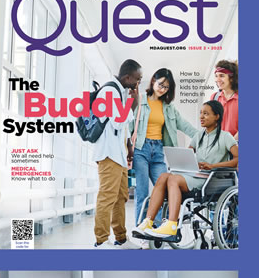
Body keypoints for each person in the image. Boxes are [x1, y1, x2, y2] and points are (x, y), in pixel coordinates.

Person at [137, 100, 239, 239]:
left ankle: (172, 225)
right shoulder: (199, 136)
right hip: (196, 175)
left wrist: (212, 166)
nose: (201, 117)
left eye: (206, 114)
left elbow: (237, 159)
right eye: (201, 113)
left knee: (173, 179)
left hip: (211, 180)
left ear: (217, 117)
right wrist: (183, 163)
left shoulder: (225, 137)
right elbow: (188, 155)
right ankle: (148, 222)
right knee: (163, 177)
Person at [129, 68, 199, 227]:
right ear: (153, 80)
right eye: (161, 84)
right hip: (141, 149)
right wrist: (127, 148)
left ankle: (157, 230)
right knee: (142, 194)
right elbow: (129, 125)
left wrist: (205, 135)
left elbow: (185, 125)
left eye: (166, 87)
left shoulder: (168, 107)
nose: (162, 89)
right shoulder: (140, 100)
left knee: (163, 192)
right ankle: (142, 233)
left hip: (159, 152)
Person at [92, 60, 142, 248]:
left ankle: (121, 239)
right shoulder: (109, 92)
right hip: (108, 154)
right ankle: (101, 240)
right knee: (107, 196)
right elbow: (117, 121)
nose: (138, 83)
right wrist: (133, 105)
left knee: (121, 196)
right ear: (127, 77)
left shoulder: (120, 92)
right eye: (137, 79)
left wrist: (129, 144)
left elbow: (122, 128)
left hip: (118, 153)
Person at [211, 60, 239, 139]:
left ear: (231, 78)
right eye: (216, 76)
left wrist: (231, 144)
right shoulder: (214, 98)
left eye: (222, 76)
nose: (217, 79)